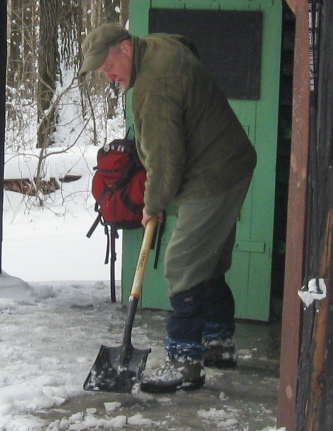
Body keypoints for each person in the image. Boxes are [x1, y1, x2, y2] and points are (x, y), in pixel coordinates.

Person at [79, 22, 257, 392]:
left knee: (183, 264)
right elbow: (187, 42)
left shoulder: (152, 86)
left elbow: (165, 157)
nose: (107, 76)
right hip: (229, 161)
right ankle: (219, 343)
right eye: (100, 71)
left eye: (107, 64)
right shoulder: (158, 47)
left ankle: (184, 362)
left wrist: (153, 203)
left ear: (125, 47)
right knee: (206, 259)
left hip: (211, 173)